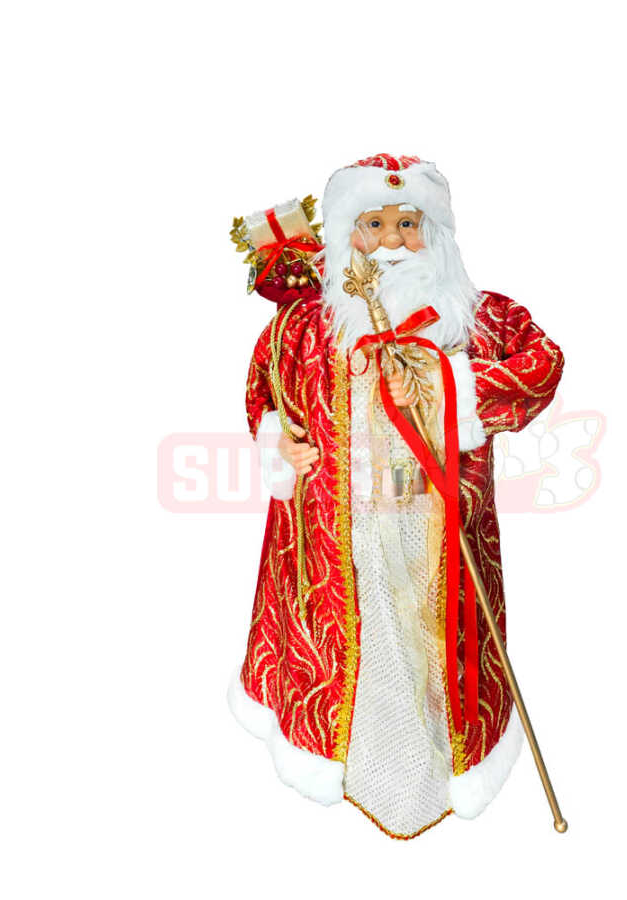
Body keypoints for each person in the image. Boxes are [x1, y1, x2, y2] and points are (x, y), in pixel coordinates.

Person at [228, 153, 564, 839]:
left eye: (407, 223)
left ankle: (440, 760)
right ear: (345, 234)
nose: (390, 240)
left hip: (439, 528)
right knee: (351, 641)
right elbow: (267, 387)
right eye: (373, 224)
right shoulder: (305, 325)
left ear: (433, 231)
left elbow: (542, 365)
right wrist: (279, 440)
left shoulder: (476, 318)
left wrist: (450, 386)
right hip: (337, 535)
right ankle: (346, 755)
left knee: (433, 644)